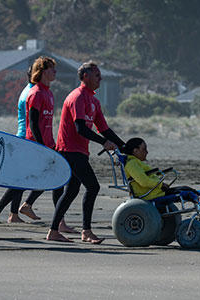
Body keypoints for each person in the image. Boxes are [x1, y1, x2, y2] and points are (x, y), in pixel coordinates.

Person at [0, 57, 75, 233]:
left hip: (46, 144)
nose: (55, 72)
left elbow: (46, 123)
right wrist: (42, 147)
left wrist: (50, 144)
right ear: (42, 71)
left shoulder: (49, 92)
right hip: (33, 145)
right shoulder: (35, 93)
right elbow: (33, 124)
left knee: (54, 180)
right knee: (23, 180)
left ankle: (57, 222)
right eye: (52, 69)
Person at [47, 61, 125, 244]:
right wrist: (104, 143)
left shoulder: (93, 100)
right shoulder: (77, 97)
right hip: (68, 150)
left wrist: (125, 146)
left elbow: (104, 129)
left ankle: (53, 231)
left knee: (72, 190)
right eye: (97, 75)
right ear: (85, 77)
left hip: (81, 151)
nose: (101, 78)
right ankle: (86, 231)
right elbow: (80, 128)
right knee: (93, 186)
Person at [121, 137, 200, 202]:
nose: (147, 152)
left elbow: (148, 176)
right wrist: (161, 185)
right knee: (188, 193)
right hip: (151, 195)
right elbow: (143, 181)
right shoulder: (132, 164)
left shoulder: (136, 162)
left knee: (187, 189)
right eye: (144, 149)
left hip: (156, 192)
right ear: (135, 151)